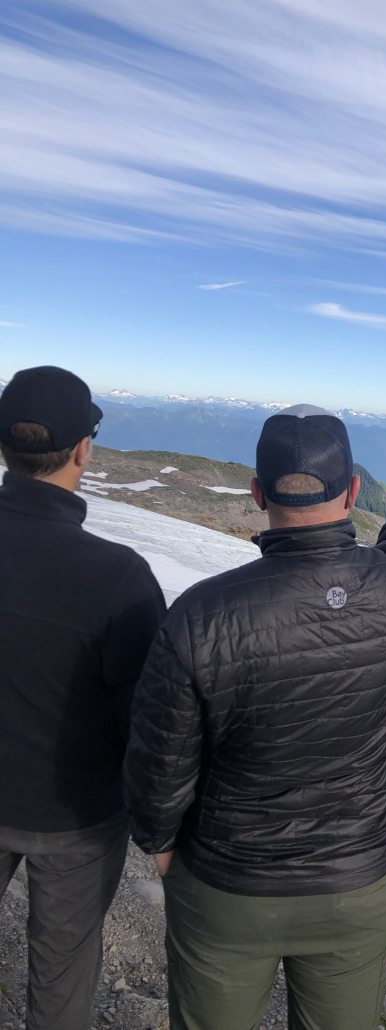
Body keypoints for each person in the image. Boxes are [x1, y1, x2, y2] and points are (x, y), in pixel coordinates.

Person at [124, 403, 386, 1030]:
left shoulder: (200, 614)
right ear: (354, 492)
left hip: (226, 884)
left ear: (256, 494)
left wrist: (160, 842)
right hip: (355, 880)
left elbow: (158, 755)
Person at [0, 366, 166, 1030]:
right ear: (81, 449)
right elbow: (148, 719)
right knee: (62, 975)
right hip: (75, 817)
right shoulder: (118, 577)